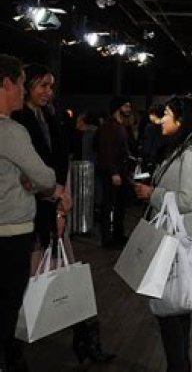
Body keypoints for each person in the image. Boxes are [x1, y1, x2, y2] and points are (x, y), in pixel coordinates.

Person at [12, 64, 116, 365]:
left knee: (68, 276)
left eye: (51, 86)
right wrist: (56, 198)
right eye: (42, 85)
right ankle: (16, 352)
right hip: (31, 213)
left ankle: (85, 339)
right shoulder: (18, 121)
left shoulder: (49, 118)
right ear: (27, 86)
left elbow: (61, 165)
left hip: (53, 209)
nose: (48, 91)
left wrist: (61, 202)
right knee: (22, 284)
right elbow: (26, 175)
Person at [134, 96, 192, 371]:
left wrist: (152, 194)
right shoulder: (180, 149)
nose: (161, 120)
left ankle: (178, 366)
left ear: (181, 120)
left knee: (168, 310)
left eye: (166, 114)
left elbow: (187, 200)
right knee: (177, 308)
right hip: (170, 240)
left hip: (177, 242)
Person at [0, 54, 56, 372]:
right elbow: (45, 177)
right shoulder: (11, 131)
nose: (23, 91)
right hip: (11, 234)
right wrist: (33, 182)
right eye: (22, 84)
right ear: (6, 83)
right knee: (8, 307)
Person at [94, 96, 133, 246]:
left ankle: (117, 235)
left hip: (120, 171)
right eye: (126, 106)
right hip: (113, 172)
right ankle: (108, 238)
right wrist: (113, 172)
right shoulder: (109, 127)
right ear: (118, 108)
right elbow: (106, 151)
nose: (129, 109)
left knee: (119, 205)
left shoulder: (119, 126)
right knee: (109, 204)